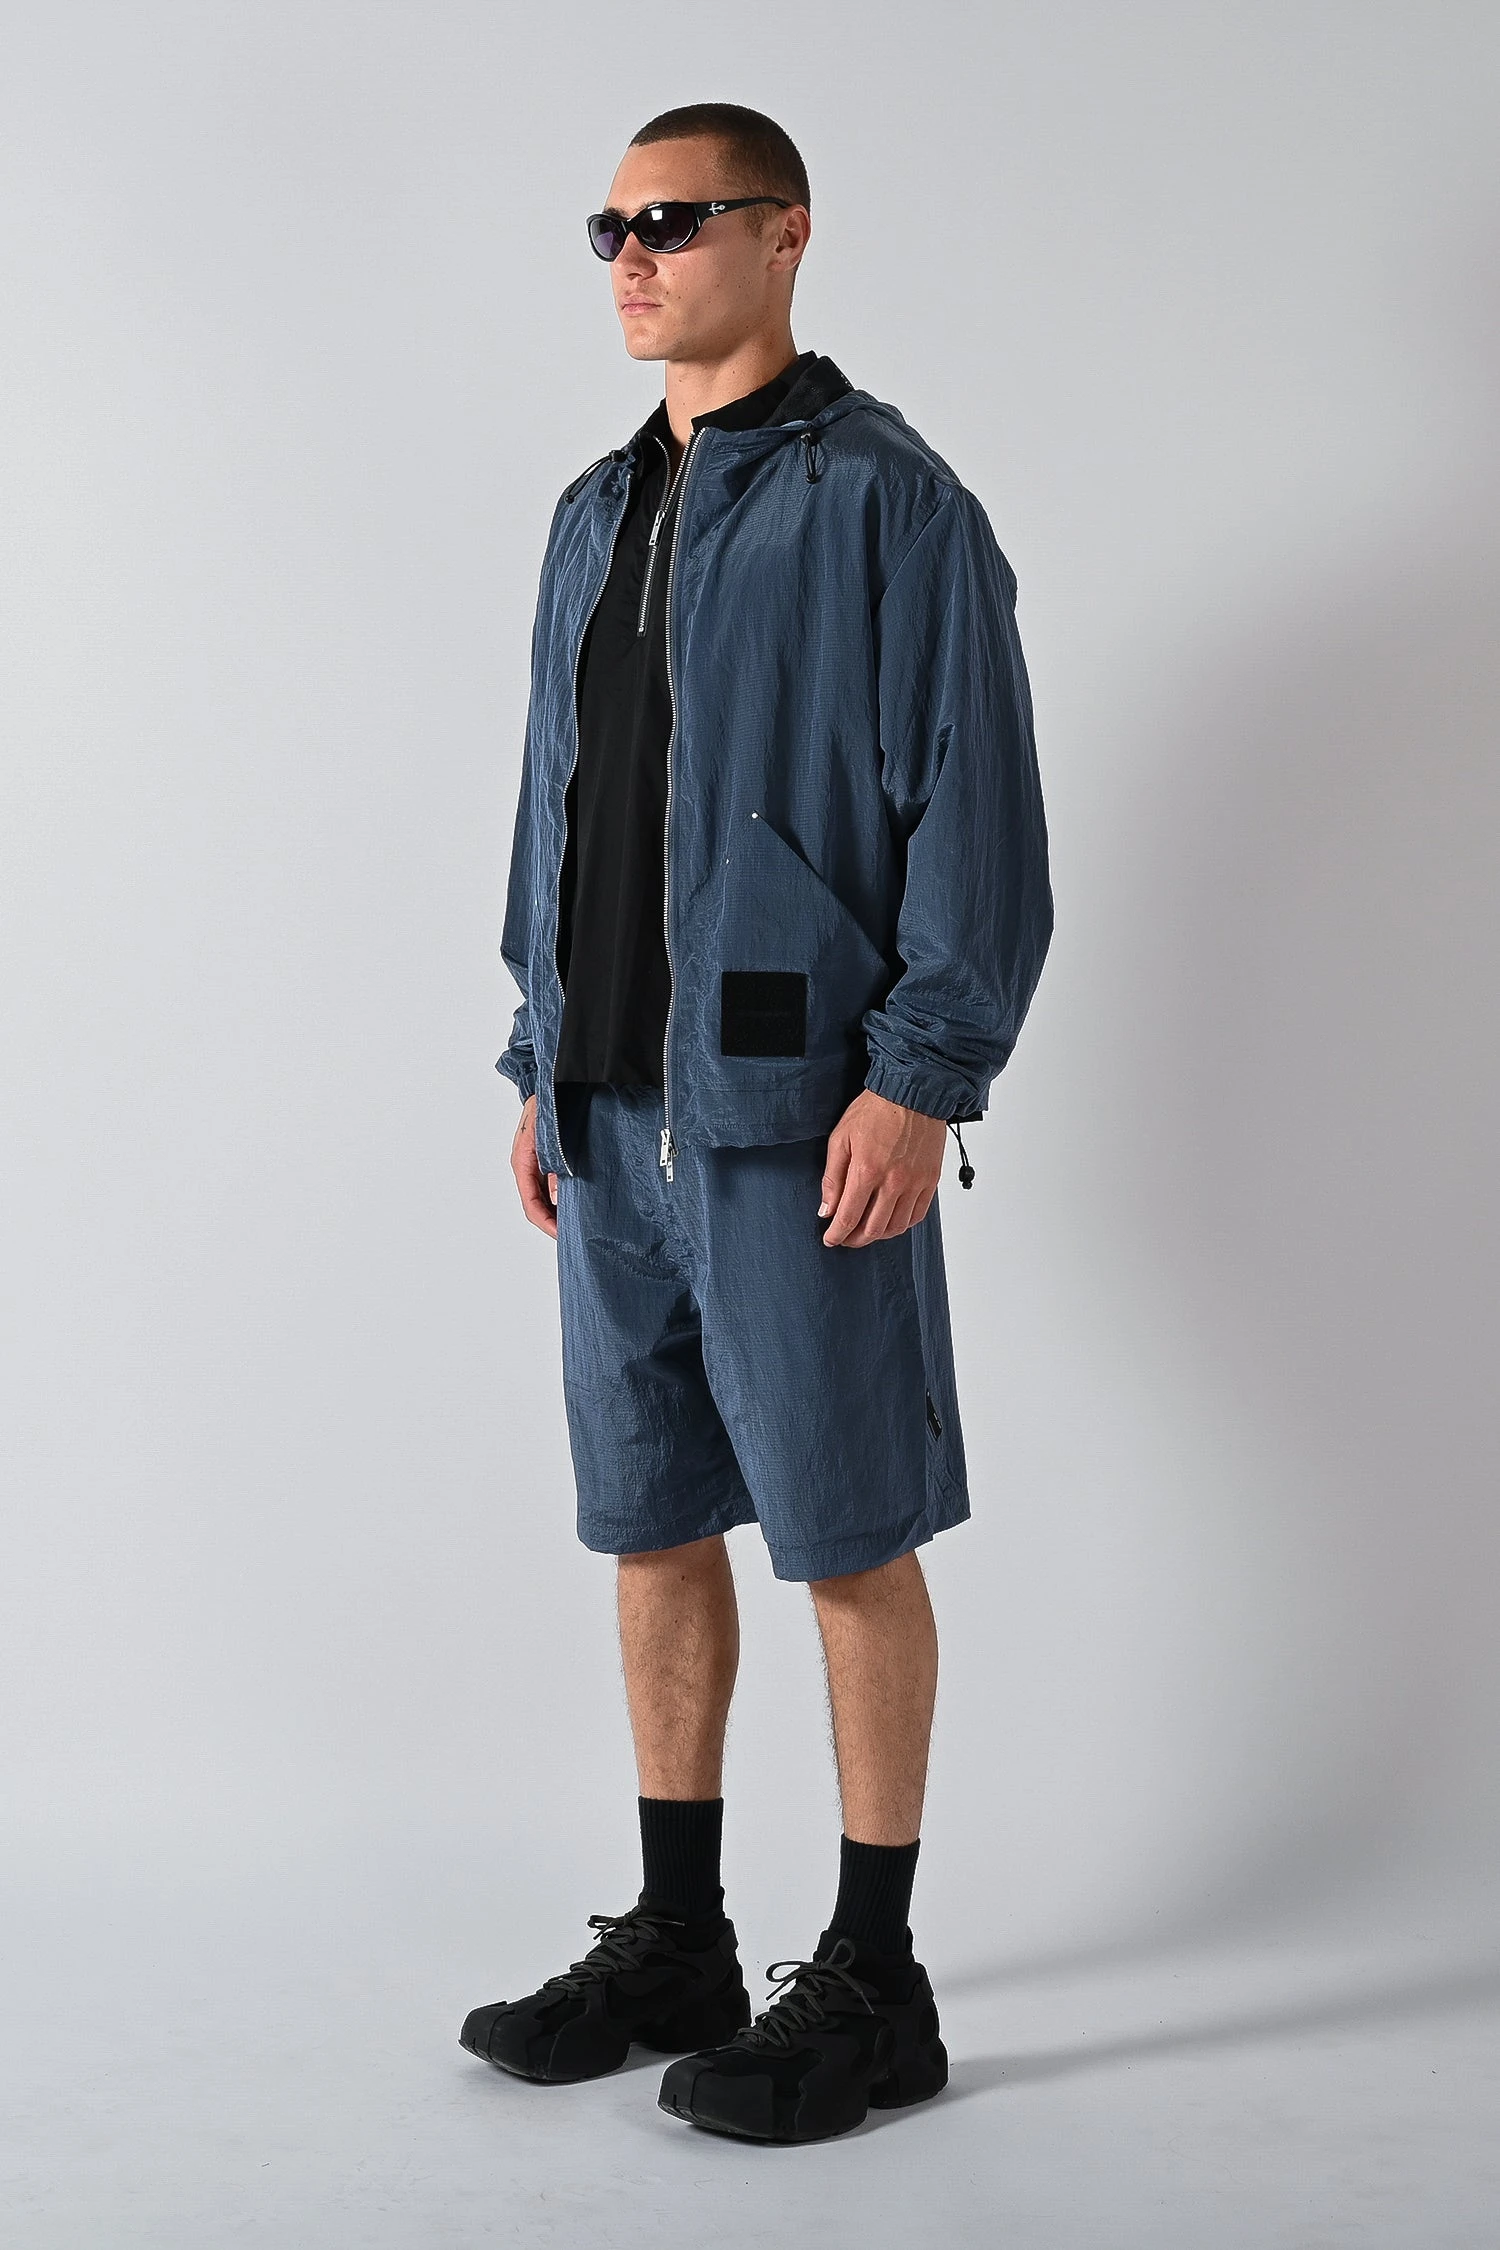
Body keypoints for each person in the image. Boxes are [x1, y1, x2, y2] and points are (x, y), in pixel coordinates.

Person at [460, 101, 1052, 2145]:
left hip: (802, 1109)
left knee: (846, 1524)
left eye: (674, 218)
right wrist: (541, 1053)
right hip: (610, 1105)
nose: (631, 256)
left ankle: (878, 1976)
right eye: (608, 226)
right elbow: (554, 801)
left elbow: (977, 810)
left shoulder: (889, 500)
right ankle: (680, 1935)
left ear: (784, 234)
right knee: (651, 1515)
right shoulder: (590, 511)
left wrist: (922, 1073)